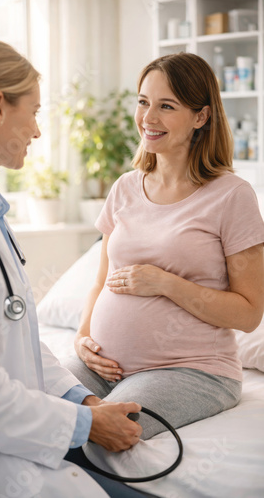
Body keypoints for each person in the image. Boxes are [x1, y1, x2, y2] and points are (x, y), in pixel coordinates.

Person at [0, 39, 151, 498]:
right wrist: (85, 424)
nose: (36, 130)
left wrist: (82, 400)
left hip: (11, 443)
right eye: (33, 111)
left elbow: (17, 334)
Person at [63, 52, 264, 441]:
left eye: (166, 106)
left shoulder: (232, 196)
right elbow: (100, 281)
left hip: (192, 369)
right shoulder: (124, 187)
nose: (148, 118)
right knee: (35, 410)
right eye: (143, 102)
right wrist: (82, 339)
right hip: (101, 365)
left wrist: (165, 283)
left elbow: (249, 314)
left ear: (201, 117)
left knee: (111, 432)